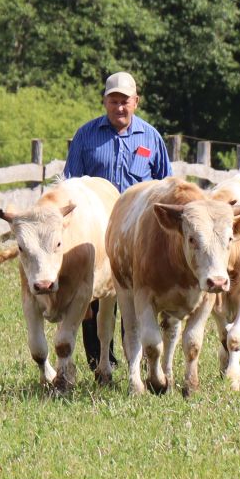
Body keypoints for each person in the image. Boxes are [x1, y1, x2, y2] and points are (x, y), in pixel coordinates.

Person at [62, 71, 171, 369]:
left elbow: (165, 184)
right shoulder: (86, 136)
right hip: (97, 226)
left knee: (137, 293)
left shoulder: (150, 137)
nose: (119, 107)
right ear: (105, 101)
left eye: (125, 101)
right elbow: (72, 183)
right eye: (113, 101)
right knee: (93, 293)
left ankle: (134, 358)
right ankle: (100, 359)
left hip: (138, 230)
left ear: (136, 102)